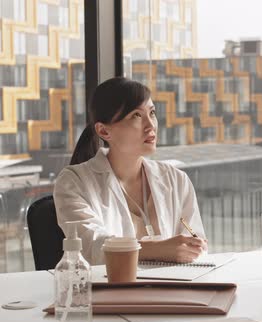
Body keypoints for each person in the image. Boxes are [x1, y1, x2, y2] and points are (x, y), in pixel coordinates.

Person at [54, 77, 207, 265]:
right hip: (110, 291)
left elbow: (196, 251)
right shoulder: (74, 181)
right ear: (103, 131)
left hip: (172, 290)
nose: (150, 125)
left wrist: (194, 248)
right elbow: (90, 248)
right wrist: (159, 250)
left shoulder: (176, 179)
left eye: (152, 113)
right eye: (136, 115)